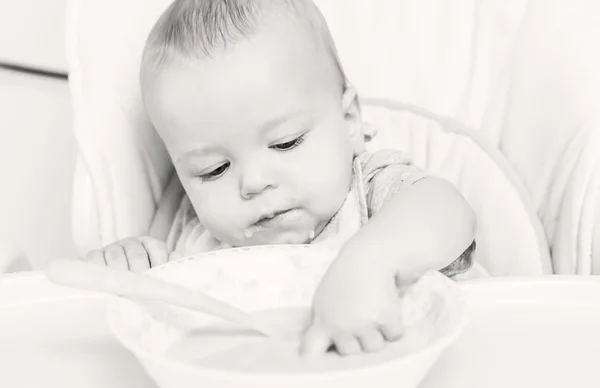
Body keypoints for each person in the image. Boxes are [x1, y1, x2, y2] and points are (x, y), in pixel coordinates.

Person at [83, 0, 476, 357]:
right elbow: (153, 316)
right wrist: (132, 263)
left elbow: (448, 210)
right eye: (213, 170)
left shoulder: (370, 189)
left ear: (349, 122)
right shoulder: (194, 243)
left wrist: (373, 260)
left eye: (285, 143)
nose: (253, 182)